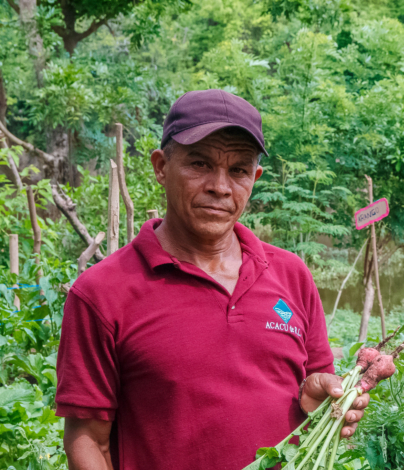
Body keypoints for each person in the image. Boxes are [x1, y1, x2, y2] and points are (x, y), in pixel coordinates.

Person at [56, 89, 369, 470]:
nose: (220, 186)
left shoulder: (291, 275)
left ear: (254, 178)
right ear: (160, 167)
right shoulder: (102, 293)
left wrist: (319, 397)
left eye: (238, 170)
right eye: (200, 164)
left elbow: (313, 386)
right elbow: (87, 439)